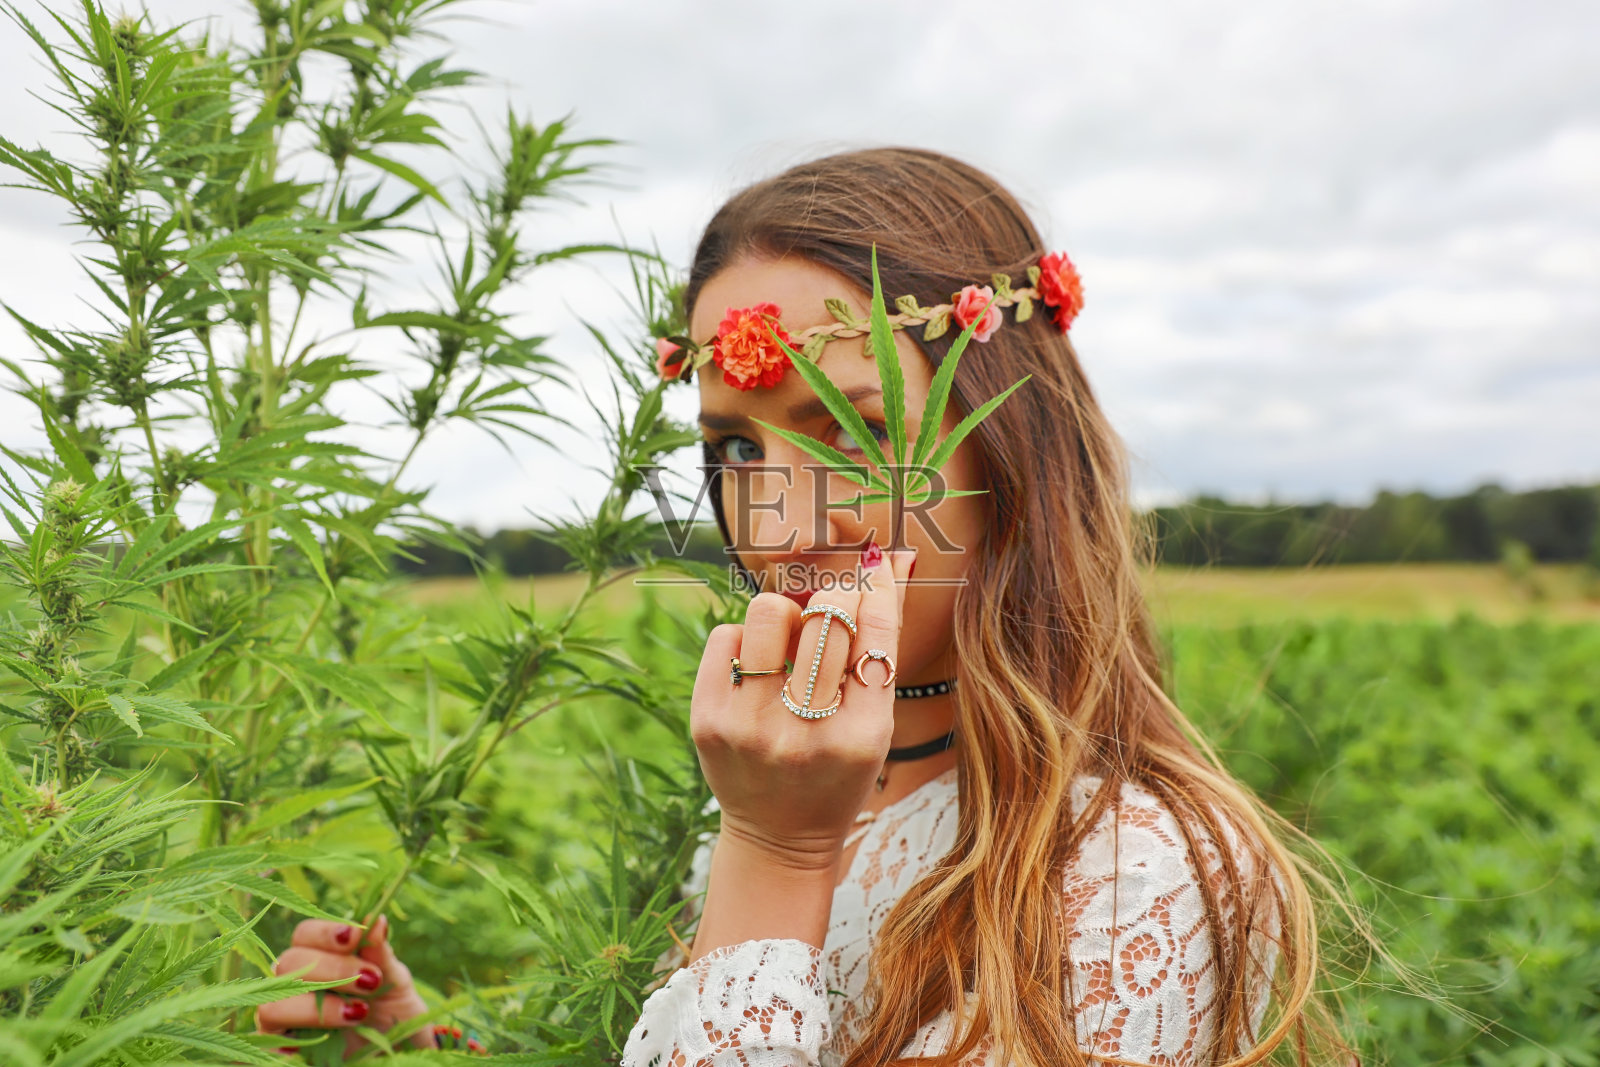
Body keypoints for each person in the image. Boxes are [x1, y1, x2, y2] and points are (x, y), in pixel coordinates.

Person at [257, 147, 1349, 1066]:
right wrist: (417, 1044)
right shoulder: (800, 786)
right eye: (735, 445)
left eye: (857, 428)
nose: (776, 529)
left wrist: (775, 861)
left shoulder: (1125, 869)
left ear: (1017, 451)